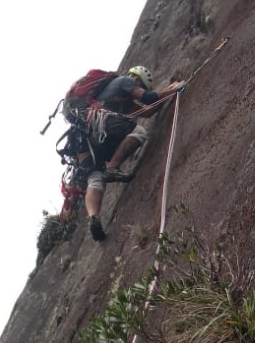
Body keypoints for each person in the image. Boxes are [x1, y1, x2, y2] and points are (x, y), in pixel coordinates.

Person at [79, 65, 185, 241]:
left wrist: (169, 92)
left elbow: (148, 110)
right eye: (141, 85)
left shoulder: (118, 99)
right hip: (101, 122)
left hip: (84, 140)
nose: (139, 88)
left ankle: (93, 218)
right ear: (137, 79)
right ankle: (112, 167)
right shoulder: (124, 81)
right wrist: (173, 88)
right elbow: (149, 98)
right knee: (139, 133)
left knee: (95, 179)